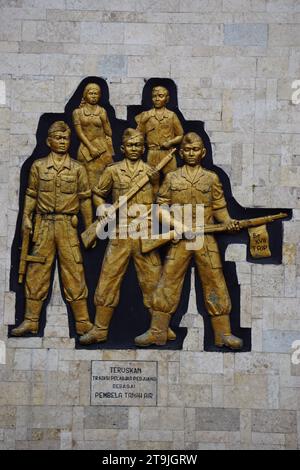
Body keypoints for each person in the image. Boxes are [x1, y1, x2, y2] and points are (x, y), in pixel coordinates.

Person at [135, 132, 243, 350]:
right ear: (181, 153)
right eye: (187, 150)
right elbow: (161, 209)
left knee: (215, 282)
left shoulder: (211, 178)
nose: (191, 154)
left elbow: (220, 209)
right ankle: (157, 332)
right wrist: (179, 227)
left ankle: (223, 334)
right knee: (168, 282)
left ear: (202, 152)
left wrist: (229, 222)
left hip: (206, 239)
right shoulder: (172, 178)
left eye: (196, 150)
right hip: (180, 239)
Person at [79, 128, 176, 345]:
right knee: (108, 279)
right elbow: (97, 193)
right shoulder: (113, 171)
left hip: (145, 232)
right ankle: (100, 329)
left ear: (143, 148)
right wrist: (101, 207)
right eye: (130, 146)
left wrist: (155, 182)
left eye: (138, 146)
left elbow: (160, 202)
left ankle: (160, 327)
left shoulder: (151, 171)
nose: (134, 149)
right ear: (123, 148)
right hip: (120, 231)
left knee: (152, 280)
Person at [12, 121, 93, 337]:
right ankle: (31, 320)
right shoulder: (38, 166)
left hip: (68, 226)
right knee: (37, 272)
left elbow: (85, 199)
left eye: (66, 138)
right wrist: (26, 218)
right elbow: (31, 194)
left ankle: (83, 323)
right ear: (49, 141)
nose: (62, 142)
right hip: (43, 225)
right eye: (58, 138)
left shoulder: (78, 168)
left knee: (74, 272)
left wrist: (91, 227)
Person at [135, 85, 183, 193]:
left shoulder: (171, 116)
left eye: (160, 96)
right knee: (150, 181)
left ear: (167, 98)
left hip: (168, 154)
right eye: (154, 96)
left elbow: (180, 135)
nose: (157, 99)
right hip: (152, 153)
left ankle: (169, 206)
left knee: (172, 181)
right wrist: (142, 122)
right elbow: (137, 136)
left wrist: (170, 142)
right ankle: (153, 206)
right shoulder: (146, 115)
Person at [72, 82, 114, 189]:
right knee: (86, 181)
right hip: (85, 149)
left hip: (102, 149)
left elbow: (109, 132)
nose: (94, 96)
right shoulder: (77, 112)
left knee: (103, 181)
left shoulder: (102, 111)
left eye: (96, 94)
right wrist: (91, 148)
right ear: (85, 95)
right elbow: (79, 132)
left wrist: (104, 120)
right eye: (91, 93)